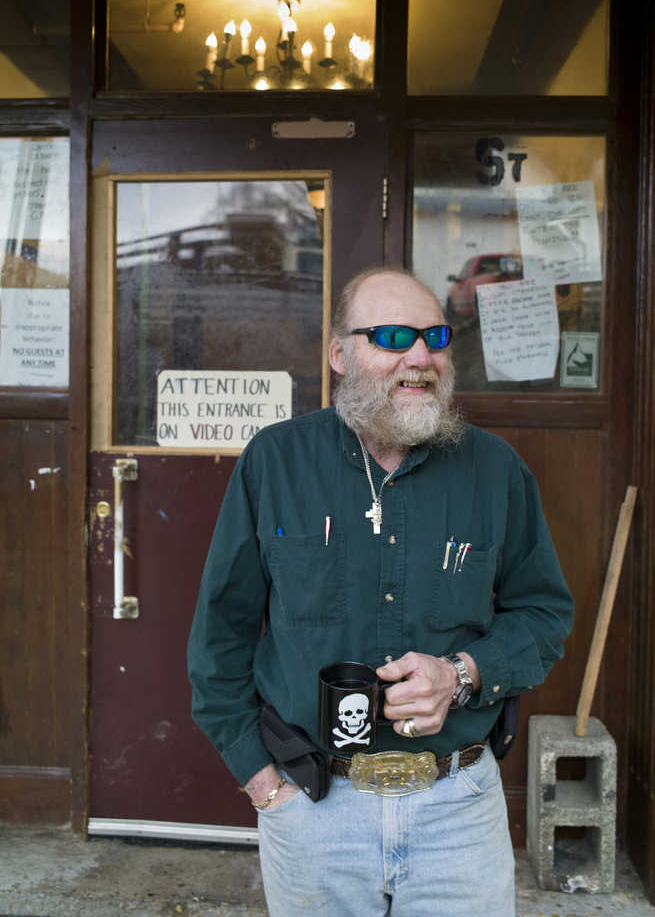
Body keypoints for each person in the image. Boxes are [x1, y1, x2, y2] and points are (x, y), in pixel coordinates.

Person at [188, 267, 574, 917]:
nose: (419, 357)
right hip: (312, 809)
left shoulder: (494, 470)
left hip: (457, 810)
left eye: (434, 336)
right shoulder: (275, 461)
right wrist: (259, 781)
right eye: (393, 336)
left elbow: (542, 614)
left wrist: (462, 672)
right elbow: (222, 632)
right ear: (339, 354)